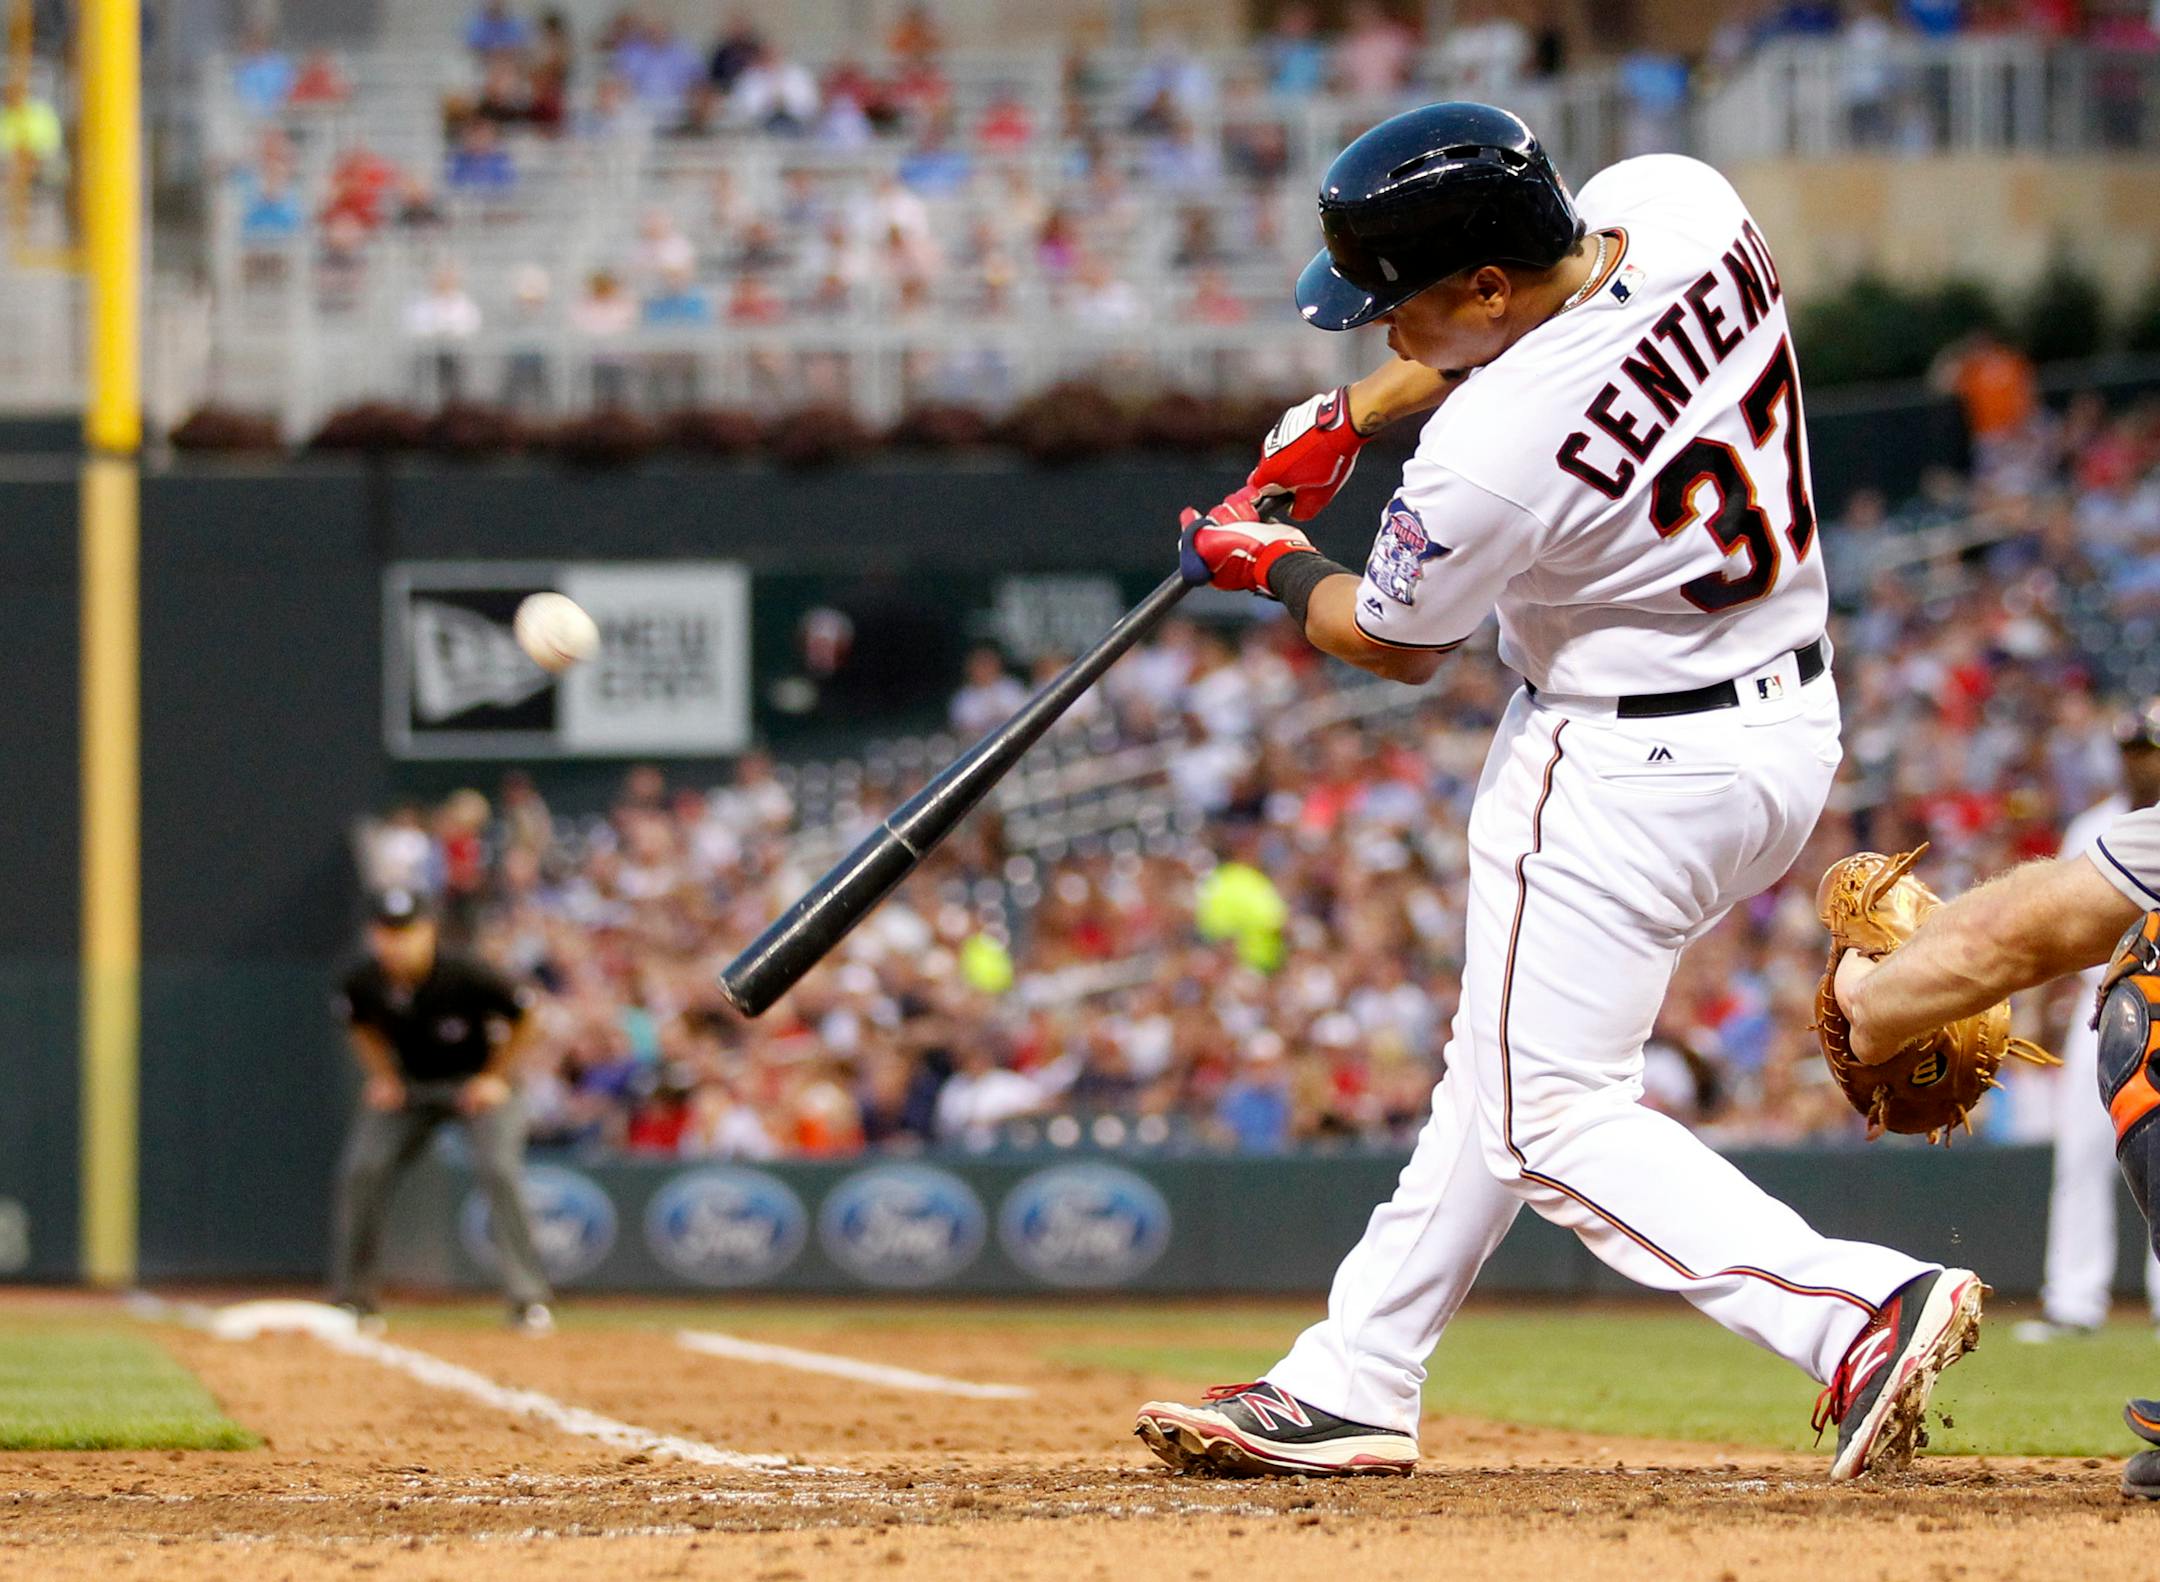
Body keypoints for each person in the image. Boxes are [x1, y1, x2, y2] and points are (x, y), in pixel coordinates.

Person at [1134, 101, 1978, 1485]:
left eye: (1394, 309)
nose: (1378, 331)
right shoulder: (1686, 201)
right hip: (1785, 727)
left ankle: (1853, 1308)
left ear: (1481, 285)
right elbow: (1550, 336)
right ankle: (1355, 1375)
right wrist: (1353, 418)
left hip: (1618, 763)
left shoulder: (1486, 457)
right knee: (1504, 1067)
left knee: (1545, 1116)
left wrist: (1266, 556)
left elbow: (1391, 640)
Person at [1830, 700, 2160, 1496]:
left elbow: (2020, 933)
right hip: (2065, 995)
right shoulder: (2101, 818)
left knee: (2146, 1010)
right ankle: (2075, 1297)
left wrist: (1870, 1003)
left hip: (2035, 980)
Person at [330, 890, 554, 1333]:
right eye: (385, 932)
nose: (395, 943)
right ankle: (353, 1299)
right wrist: (383, 1076)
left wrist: (494, 1077)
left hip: (475, 1084)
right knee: (363, 1169)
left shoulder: (466, 973)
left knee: (498, 1168)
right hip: (412, 1089)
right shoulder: (361, 981)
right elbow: (359, 1027)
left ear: (428, 931)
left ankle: (528, 1299)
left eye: (405, 932)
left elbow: (528, 1016)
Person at [2015, 706, 2160, 1343]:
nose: (2140, 760)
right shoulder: (2092, 825)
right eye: (2132, 750)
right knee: (2080, 1158)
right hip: (2099, 1009)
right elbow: (2057, 926)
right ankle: (2074, 1300)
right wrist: (2047, 1009)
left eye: (2150, 749)